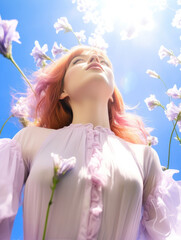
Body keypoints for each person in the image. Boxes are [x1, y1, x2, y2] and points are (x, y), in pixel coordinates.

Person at [0, 45, 181, 240]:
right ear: (62, 91)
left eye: (105, 61)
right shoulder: (29, 140)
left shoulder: (144, 156)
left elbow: (167, 234)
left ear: (112, 93)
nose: (96, 57)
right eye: (78, 61)